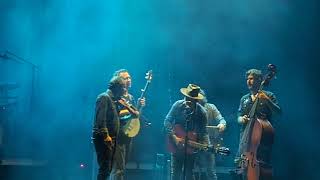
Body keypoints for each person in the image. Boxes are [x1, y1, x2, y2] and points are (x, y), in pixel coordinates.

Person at [235, 68, 281, 179]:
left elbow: (279, 112)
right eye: (247, 79)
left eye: (251, 79)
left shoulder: (269, 95)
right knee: (241, 169)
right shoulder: (244, 99)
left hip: (260, 144)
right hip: (245, 140)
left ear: (260, 80)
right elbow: (238, 117)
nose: (248, 81)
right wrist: (242, 119)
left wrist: (266, 100)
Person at [164, 84, 209, 180]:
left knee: (189, 174)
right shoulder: (177, 105)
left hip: (191, 147)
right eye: (186, 97)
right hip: (176, 145)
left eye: (190, 99)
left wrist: (203, 145)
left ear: (196, 100)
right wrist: (174, 138)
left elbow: (203, 132)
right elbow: (167, 121)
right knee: (175, 174)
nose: (186, 101)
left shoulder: (202, 113)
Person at [111, 69, 145, 180]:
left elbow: (136, 117)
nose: (129, 80)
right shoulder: (115, 97)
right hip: (118, 136)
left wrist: (140, 107)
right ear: (119, 81)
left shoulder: (131, 98)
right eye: (125, 78)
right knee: (118, 169)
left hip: (128, 135)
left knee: (123, 167)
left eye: (129, 77)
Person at [92, 76, 129, 180]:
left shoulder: (114, 100)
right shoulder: (104, 97)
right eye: (124, 87)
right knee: (104, 169)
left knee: (108, 169)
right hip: (105, 139)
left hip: (112, 139)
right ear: (117, 87)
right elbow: (100, 120)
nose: (125, 90)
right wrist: (106, 136)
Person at [194, 89, 227, 180]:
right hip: (193, 143)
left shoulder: (211, 107)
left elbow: (221, 119)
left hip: (208, 144)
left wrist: (222, 124)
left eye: (201, 97)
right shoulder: (192, 108)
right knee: (191, 170)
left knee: (211, 171)